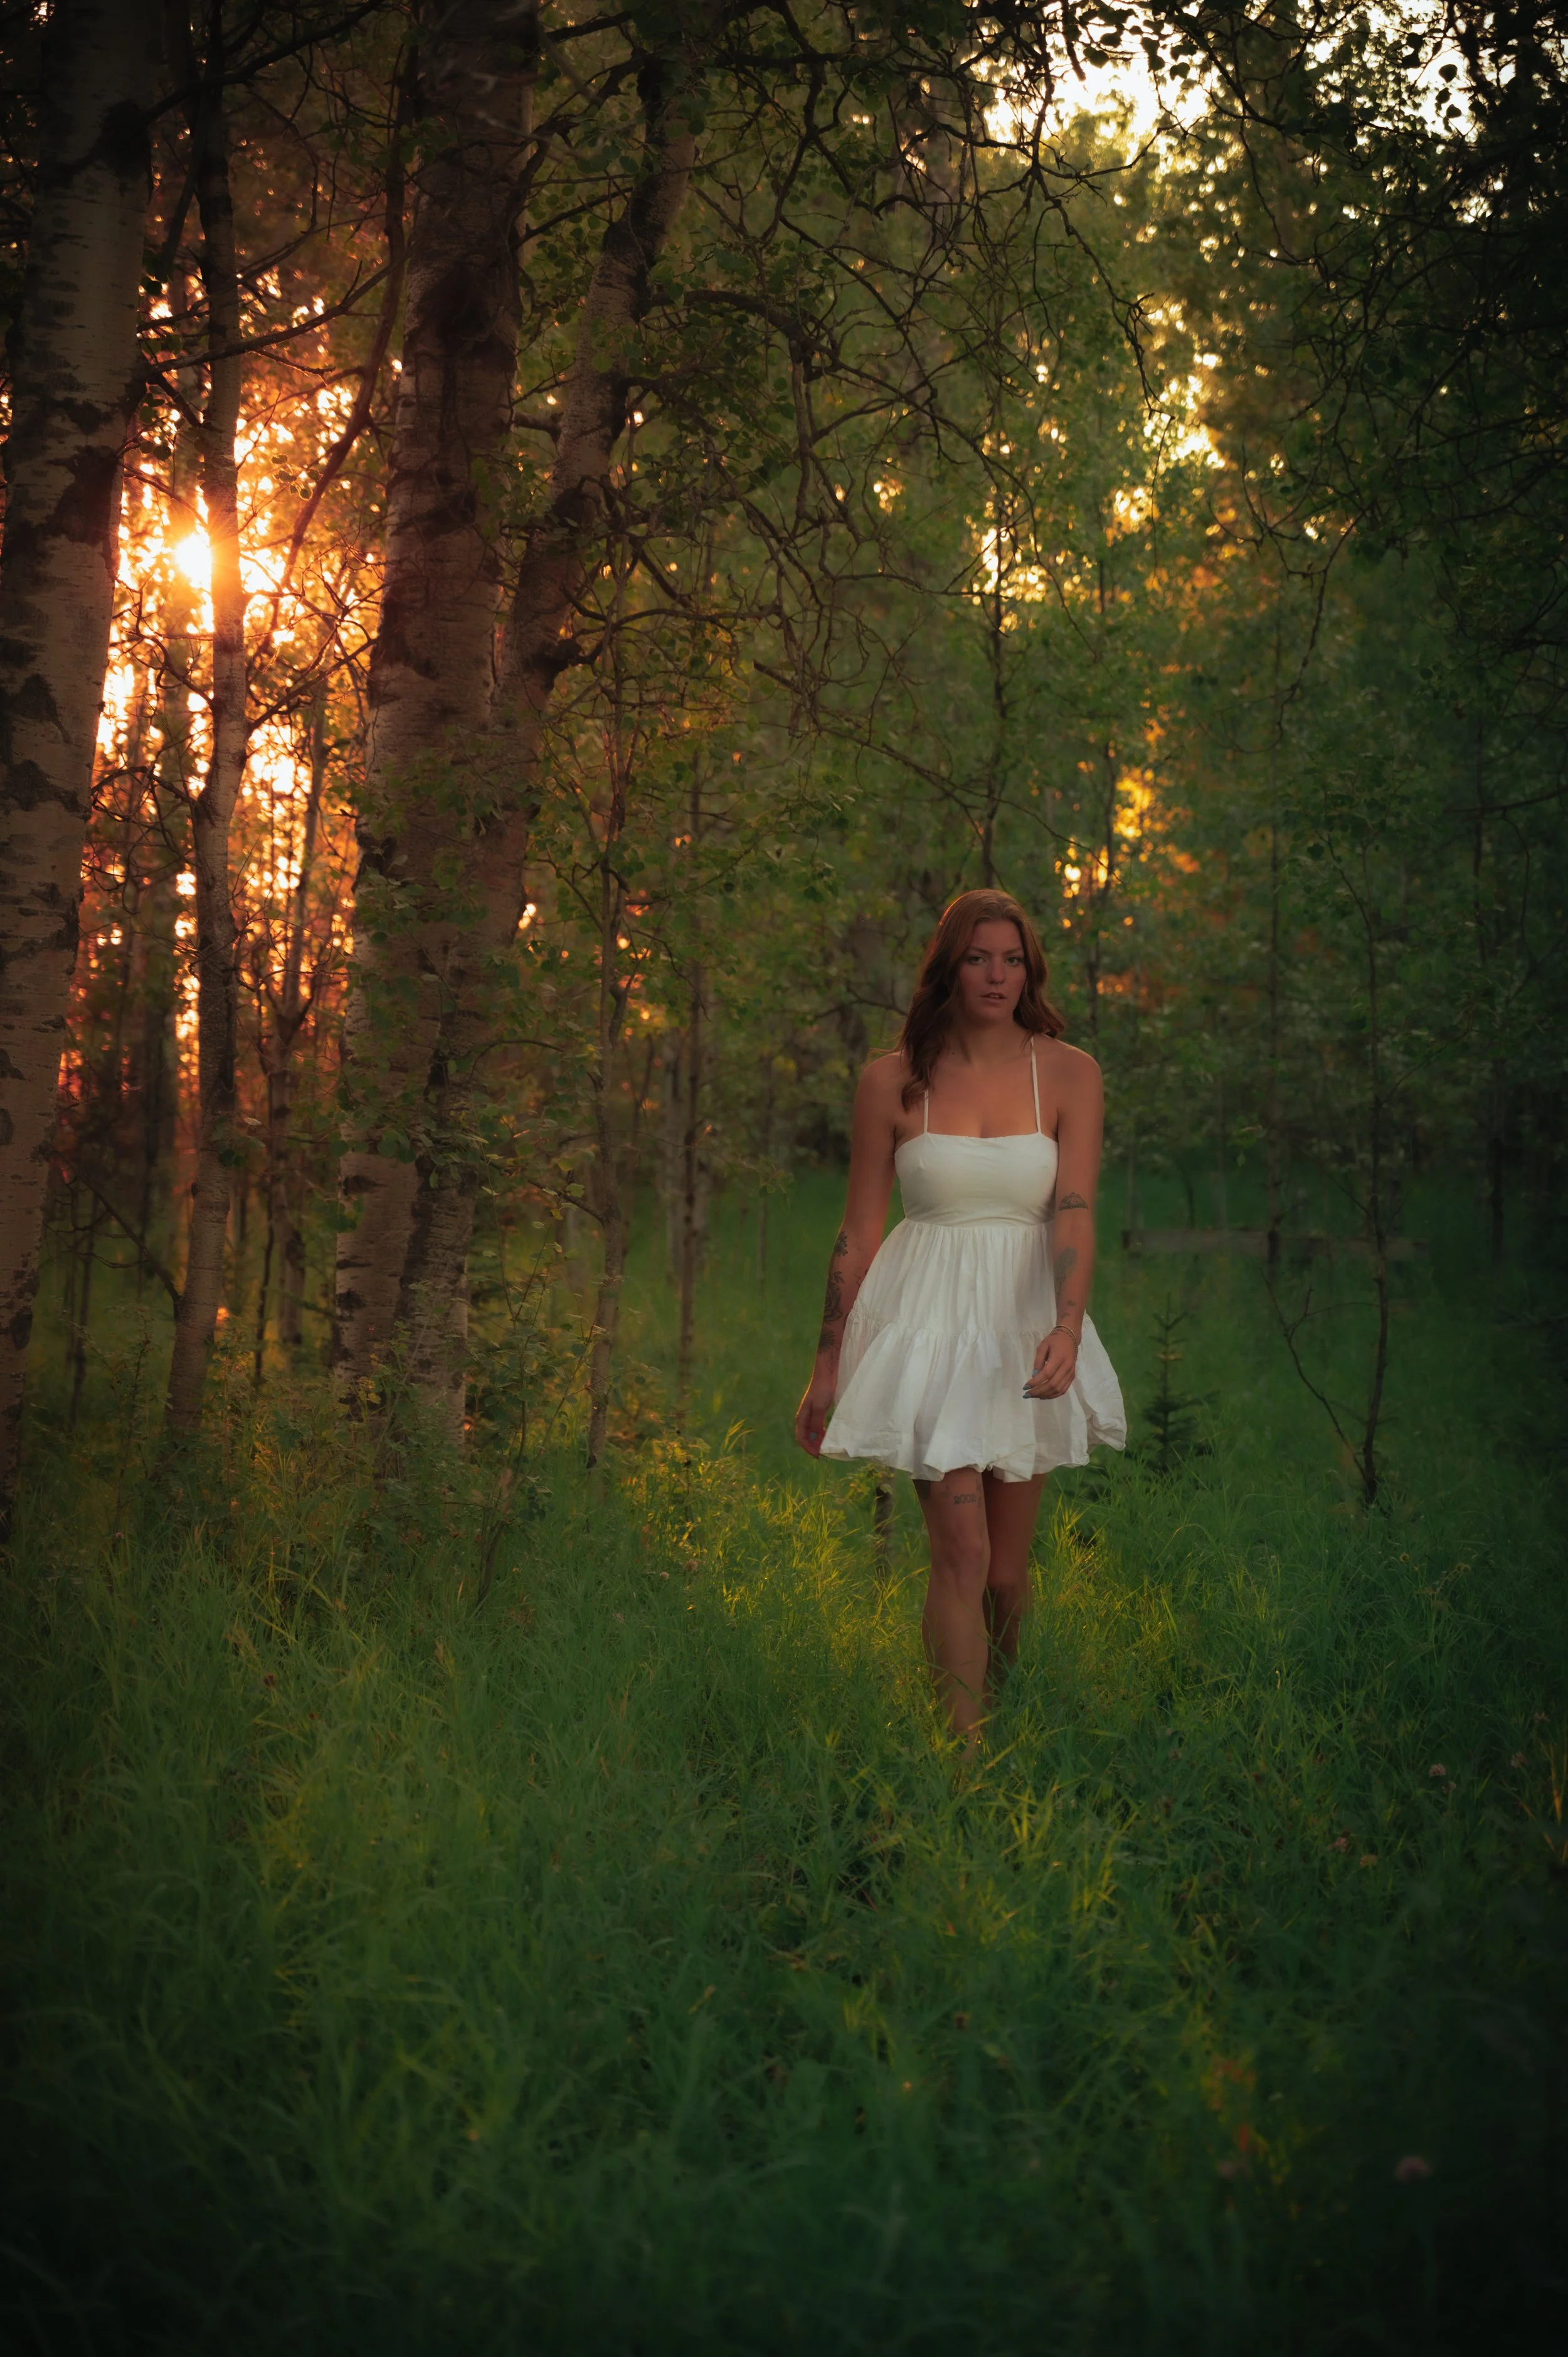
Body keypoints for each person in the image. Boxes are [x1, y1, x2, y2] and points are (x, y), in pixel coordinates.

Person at [795, 888, 1125, 1743]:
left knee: (1007, 1575)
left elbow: (1076, 1207)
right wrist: (827, 1364)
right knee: (963, 1554)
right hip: (926, 1330)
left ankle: (1004, 1706)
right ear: (949, 966)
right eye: (979, 957)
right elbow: (860, 1229)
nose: (997, 974)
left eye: (1012, 959)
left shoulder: (1070, 1072)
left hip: (1023, 1324)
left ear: (1030, 969)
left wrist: (1066, 1322)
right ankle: (961, 1760)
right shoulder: (890, 1080)